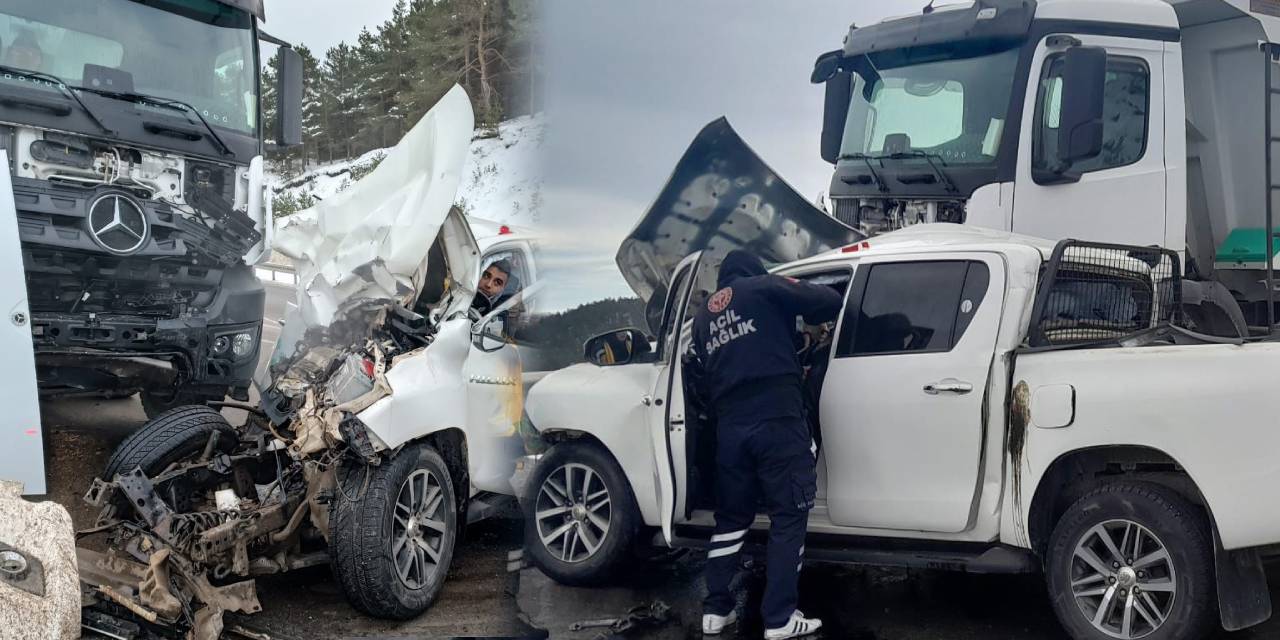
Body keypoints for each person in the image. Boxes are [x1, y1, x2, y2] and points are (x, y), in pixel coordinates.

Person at [689, 249, 843, 639]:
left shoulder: (703, 317)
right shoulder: (764, 286)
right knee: (789, 515)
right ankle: (779, 619)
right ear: (754, 270)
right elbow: (828, 301)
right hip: (777, 419)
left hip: (730, 429)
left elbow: (719, 362)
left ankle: (715, 610)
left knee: (731, 520)